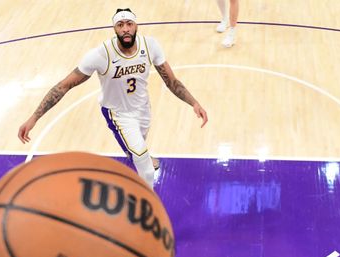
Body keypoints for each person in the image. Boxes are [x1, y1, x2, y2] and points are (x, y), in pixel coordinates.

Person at [18, 8, 208, 187]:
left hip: (143, 109)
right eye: (120, 25)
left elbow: (171, 81)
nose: (125, 29)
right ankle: (148, 210)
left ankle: (139, 154)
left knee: (136, 150)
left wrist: (194, 103)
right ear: (114, 28)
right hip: (118, 114)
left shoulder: (150, 46)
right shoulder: (101, 55)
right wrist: (34, 118)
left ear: (136, 26)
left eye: (129, 24)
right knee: (146, 169)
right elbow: (63, 86)